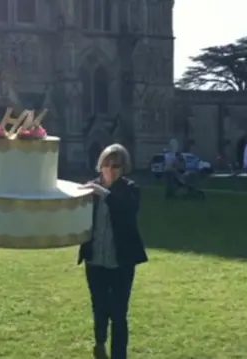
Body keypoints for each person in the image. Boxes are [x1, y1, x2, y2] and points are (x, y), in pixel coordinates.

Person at [78, 144, 148, 359]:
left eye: (116, 165)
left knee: (118, 313)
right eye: (107, 164)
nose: (111, 169)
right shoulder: (92, 189)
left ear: (123, 167)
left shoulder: (130, 189)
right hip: (95, 260)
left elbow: (127, 210)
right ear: (100, 165)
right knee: (99, 308)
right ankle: (99, 344)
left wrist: (105, 194)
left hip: (121, 261)